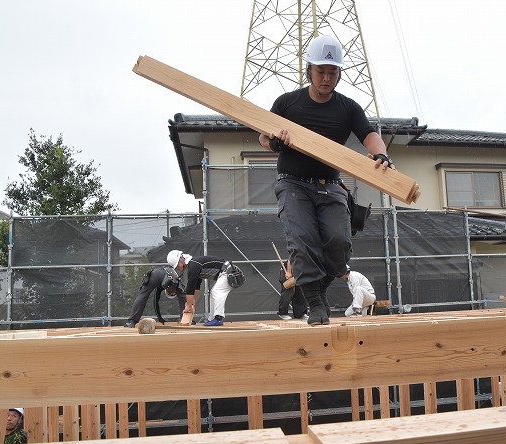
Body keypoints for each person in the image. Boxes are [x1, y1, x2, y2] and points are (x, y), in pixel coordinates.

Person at [258, 34, 394, 326]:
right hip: (293, 183)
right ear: (309, 70)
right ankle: (316, 303)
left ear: (339, 74)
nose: (326, 78)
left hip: (330, 186)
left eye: (332, 72)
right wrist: (275, 143)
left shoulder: (348, 108)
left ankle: (317, 290)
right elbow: (263, 136)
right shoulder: (287, 102)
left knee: (339, 241)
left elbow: (369, 136)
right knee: (302, 239)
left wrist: (381, 155)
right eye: (321, 71)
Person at [167, 249, 244, 327]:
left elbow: (189, 290)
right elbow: (196, 288)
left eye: (177, 265)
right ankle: (213, 318)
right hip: (225, 272)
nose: (177, 267)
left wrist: (189, 307)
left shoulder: (193, 265)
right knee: (214, 293)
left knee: (217, 292)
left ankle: (218, 318)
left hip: (228, 272)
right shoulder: (194, 264)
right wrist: (191, 302)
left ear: (181, 258)